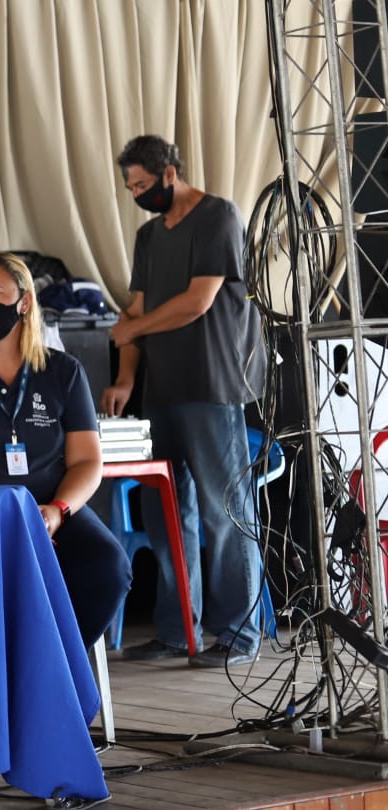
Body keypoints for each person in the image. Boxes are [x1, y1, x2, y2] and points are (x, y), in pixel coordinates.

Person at [103, 135, 266, 667]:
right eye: (130, 188)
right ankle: (179, 631)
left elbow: (197, 302)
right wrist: (126, 380)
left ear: (170, 172)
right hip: (162, 392)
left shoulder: (219, 215)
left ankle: (238, 635)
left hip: (213, 385)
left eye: (143, 185)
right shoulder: (149, 235)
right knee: (167, 512)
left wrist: (132, 334)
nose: (137, 195)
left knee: (226, 513)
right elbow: (134, 315)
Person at [0, 253, 132, 646]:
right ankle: (17, 673)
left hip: (50, 510)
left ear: (25, 301)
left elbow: (87, 461)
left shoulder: (63, 371)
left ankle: (56, 670)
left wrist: (57, 512)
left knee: (109, 566)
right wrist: (10, 513)